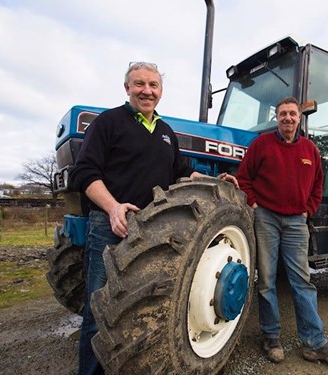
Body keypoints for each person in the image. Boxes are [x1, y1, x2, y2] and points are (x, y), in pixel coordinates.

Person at [70, 62, 237, 375]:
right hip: (112, 224)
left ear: (160, 91)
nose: (147, 91)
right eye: (139, 84)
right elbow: (84, 171)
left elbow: (180, 172)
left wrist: (213, 181)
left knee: (141, 304)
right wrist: (112, 207)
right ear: (127, 88)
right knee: (99, 310)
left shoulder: (164, 132)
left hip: (150, 230)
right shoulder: (108, 122)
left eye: (153, 86)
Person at [237, 96, 328, 366]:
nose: (287, 118)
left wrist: (308, 209)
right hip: (266, 218)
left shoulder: (310, 150)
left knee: (302, 281)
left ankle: (314, 342)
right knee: (266, 280)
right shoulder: (261, 145)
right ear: (276, 118)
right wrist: (254, 203)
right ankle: (271, 337)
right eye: (283, 114)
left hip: (296, 223)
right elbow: (244, 177)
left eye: (292, 114)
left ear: (299, 118)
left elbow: (317, 185)